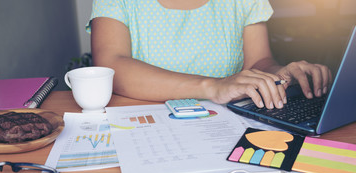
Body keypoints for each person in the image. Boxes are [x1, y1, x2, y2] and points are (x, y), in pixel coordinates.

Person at [86, 0, 332, 110]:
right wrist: (214, 87)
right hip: (147, 128)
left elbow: (258, 62)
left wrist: (279, 74)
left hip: (225, 129)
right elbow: (111, 66)